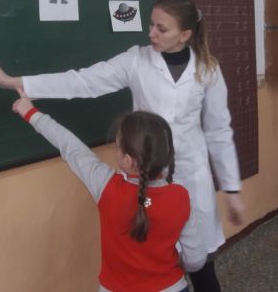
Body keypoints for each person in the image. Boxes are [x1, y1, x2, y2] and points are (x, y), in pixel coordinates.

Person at [0, 0, 245, 292]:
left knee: (203, 271)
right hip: (143, 181)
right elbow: (82, 81)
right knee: (144, 262)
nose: (151, 33)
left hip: (192, 182)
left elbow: (218, 131)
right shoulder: (136, 60)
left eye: (162, 28)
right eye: (151, 24)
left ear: (185, 34)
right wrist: (14, 81)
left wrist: (232, 188)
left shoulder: (208, 69)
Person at [12, 89, 205, 292]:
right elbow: (196, 259)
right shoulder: (181, 196)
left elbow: (71, 147)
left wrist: (31, 113)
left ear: (127, 160)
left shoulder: (106, 186)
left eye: (118, 145)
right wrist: (176, 265)